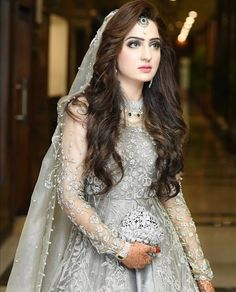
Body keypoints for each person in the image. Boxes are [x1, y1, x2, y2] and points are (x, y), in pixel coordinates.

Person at [7, 1, 215, 291]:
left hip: (162, 258)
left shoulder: (162, 115)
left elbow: (172, 196)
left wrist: (201, 271)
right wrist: (121, 249)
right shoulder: (82, 111)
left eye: (154, 45)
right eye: (134, 44)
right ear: (112, 49)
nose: (147, 55)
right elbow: (69, 194)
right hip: (99, 257)